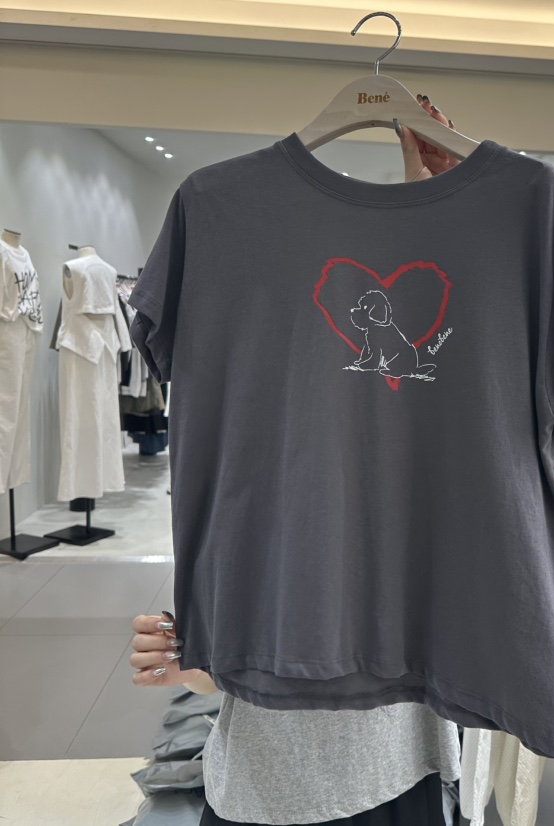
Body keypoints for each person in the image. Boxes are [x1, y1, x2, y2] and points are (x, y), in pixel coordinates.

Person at [130, 97, 464, 826]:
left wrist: (450, 204)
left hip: (400, 762)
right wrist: (200, 650)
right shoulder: (214, 215)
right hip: (273, 777)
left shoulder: (493, 248)